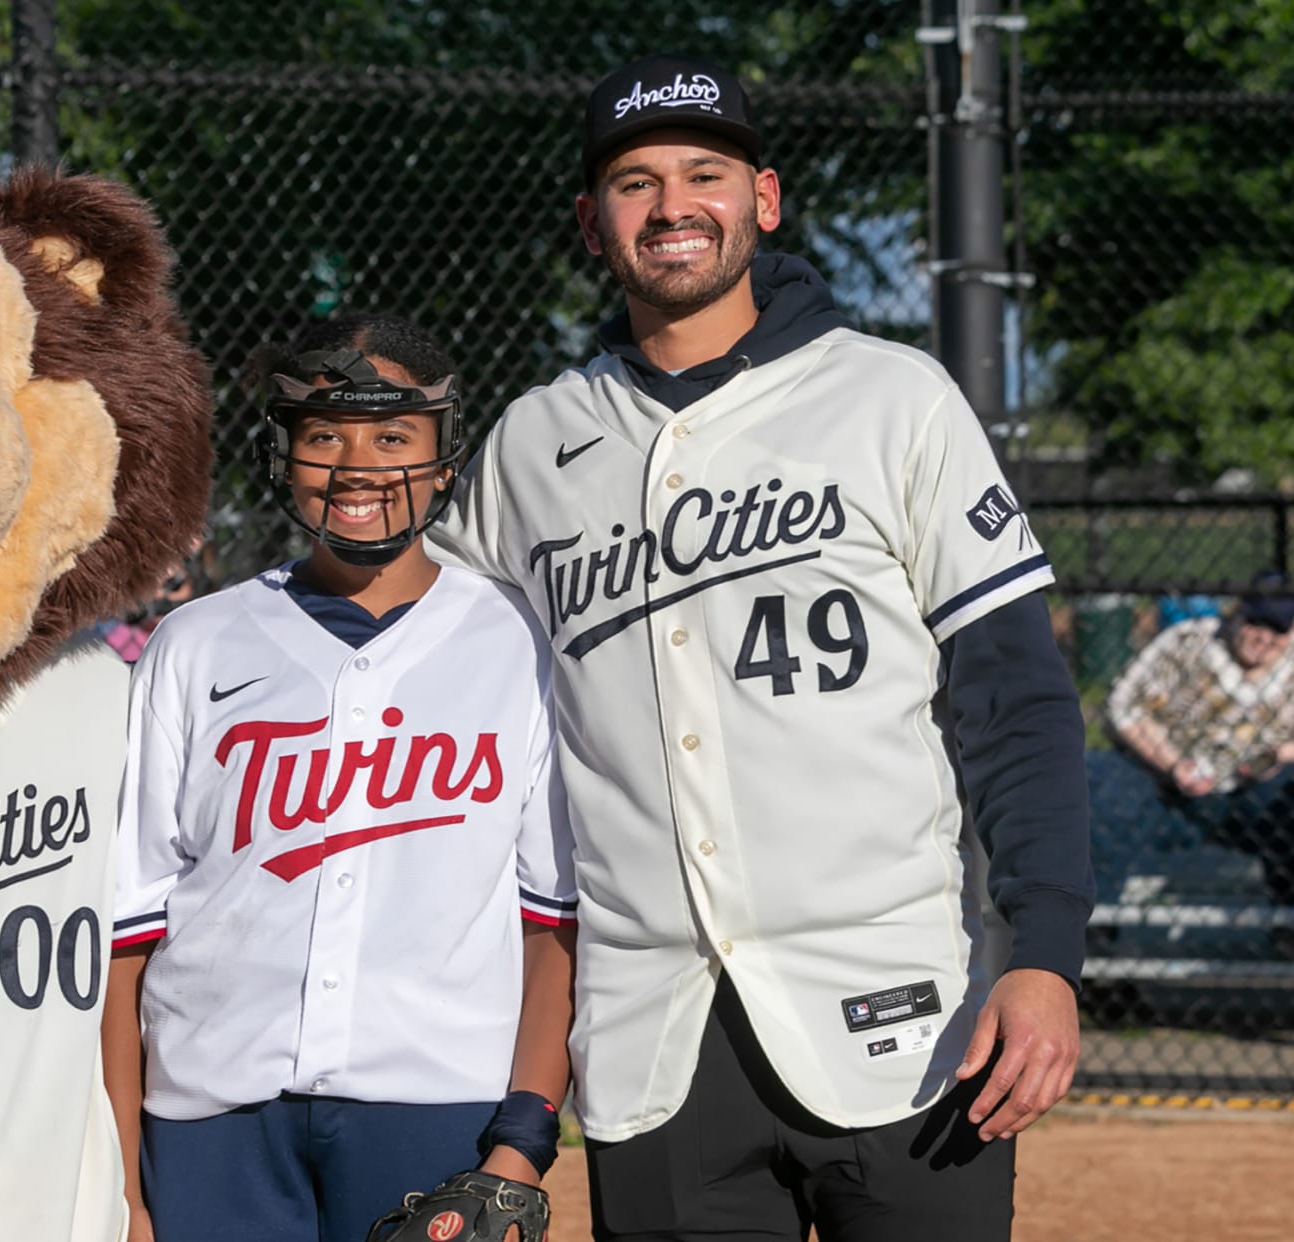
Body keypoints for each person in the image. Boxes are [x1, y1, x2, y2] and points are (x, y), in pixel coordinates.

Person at [427, 54, 1093, 1242]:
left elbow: (1017, 700)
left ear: (764, 200)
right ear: (593, 223)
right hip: (652, 1039)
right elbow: (432, 676)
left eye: (705, 173)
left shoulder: (895, 400)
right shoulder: (534, 443)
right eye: (634, 182)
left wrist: (1044, 954)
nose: (673, 205)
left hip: (901, 1023)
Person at [103, 313, 578, 1242]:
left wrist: (520, 1143)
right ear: (284, 453)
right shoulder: (195, 643)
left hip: (440, 1109)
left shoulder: (518, 643)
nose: (358, 465)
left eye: (394, 435)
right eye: (325, 435)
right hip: (210, 1118)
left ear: (446, 460)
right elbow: (130, 932)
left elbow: (550, 923)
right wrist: (123, 1189)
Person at [1094, 572, 1294, 901]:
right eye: (1255, 623)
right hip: (1160, 781)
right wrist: (1172, 765)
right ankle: (1095, 918)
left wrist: (1277, 756)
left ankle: (1286, 922)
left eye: (1277, 629)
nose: (1264, 638)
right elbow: (1122, 706)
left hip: (1253, 792)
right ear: (1236, 612)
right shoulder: (1188, 641)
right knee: (1099, 781)